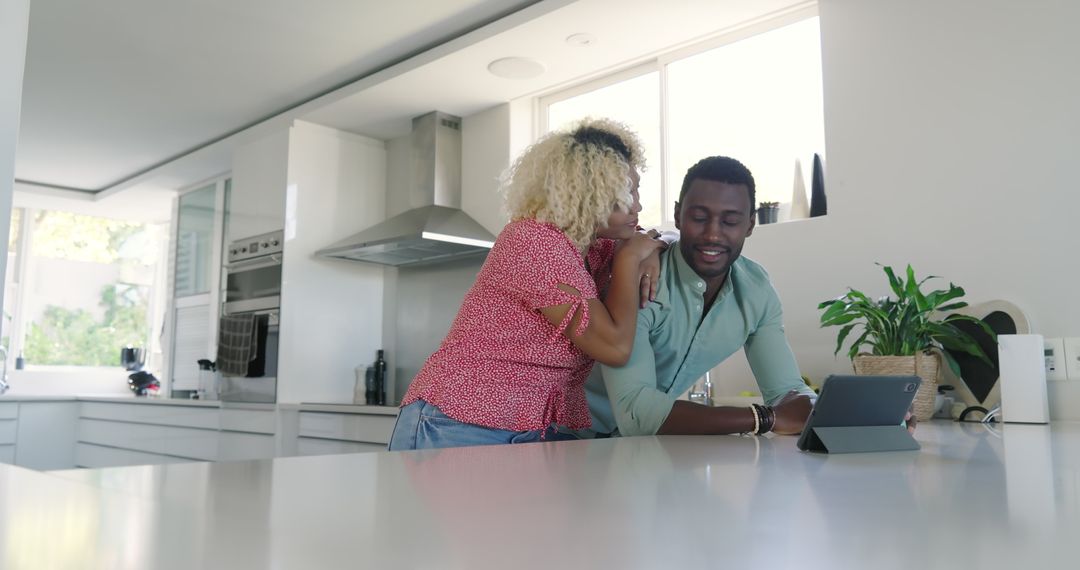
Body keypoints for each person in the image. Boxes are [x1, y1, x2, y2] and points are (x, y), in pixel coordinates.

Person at [389, 118, 666, 451]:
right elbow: (615, 348)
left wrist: (653, 249)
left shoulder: (593, 245)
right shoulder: (533, 242)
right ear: (590, 195)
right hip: (457, 423)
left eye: (637, 190)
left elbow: (664, 234)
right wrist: (629, 259)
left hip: (532, 429)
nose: (637, 204)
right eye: (626, 193)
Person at [579, 155, 815, 438]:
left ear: (750, 225)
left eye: (730, 221)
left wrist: (815, 408)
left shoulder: (756, 290)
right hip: (566, 442)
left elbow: (787, 393)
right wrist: (763, 418)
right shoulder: (642, 278)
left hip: (638, 454)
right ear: (678, 215)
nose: (713, 234)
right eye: (699, 218)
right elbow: (637, 413)